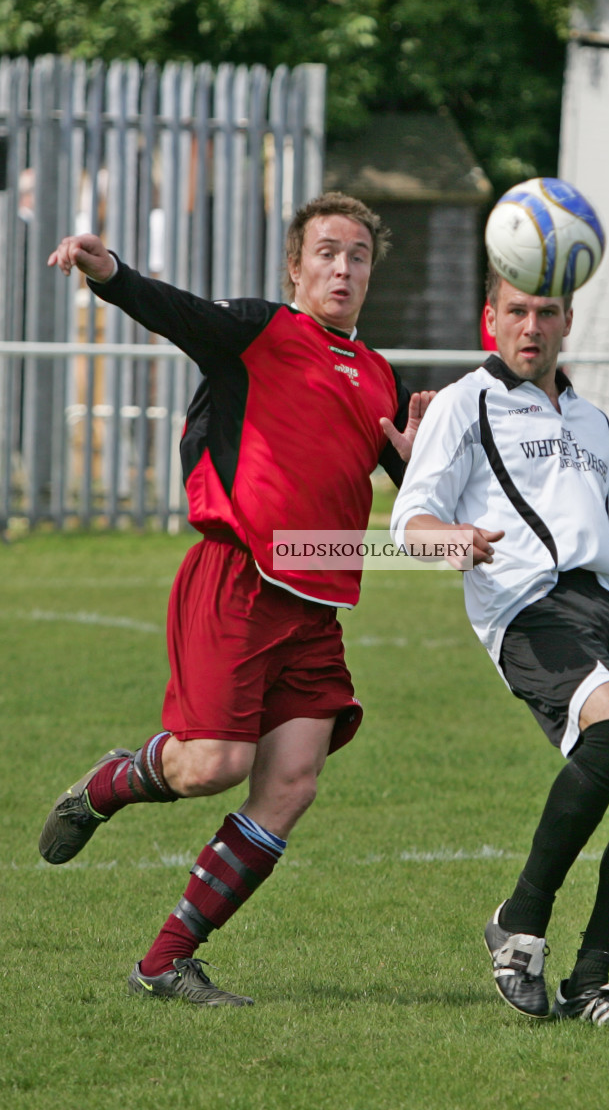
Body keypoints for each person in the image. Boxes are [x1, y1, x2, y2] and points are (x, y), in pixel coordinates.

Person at [41, 191, 435, 1007]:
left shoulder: (378, 376)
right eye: (327, 251)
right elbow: (172, 310)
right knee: (212, 767)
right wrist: (108, 272)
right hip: (237, 579)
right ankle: (112, 782)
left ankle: (165, 962)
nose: (343, 267)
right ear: (296, 265)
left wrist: (422, 461)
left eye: (358, 256)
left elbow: (415, 497)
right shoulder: (259, 331)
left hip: (316, 604)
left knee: (291, 783)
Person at [390, 264, 609, 1031]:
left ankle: (590, 981)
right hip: (526, 602)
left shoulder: (592, 420)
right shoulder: (464, 403)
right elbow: (408, 522)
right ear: (490, 319)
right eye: (515, 311)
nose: (531, 326)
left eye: (545, 312)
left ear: (566, 319)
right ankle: (518, 924)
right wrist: (447, 540)